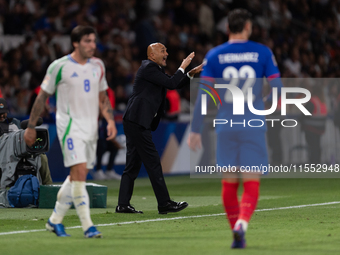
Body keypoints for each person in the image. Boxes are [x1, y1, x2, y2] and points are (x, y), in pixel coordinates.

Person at [188, 9, 283, 249]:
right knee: (252, 179)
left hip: (226, 124)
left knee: (229, 182)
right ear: (248, 27)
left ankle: (235, 232)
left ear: (227, 28)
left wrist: (195, 128)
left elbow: (204, 95)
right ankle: (242, 223)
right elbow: (278, 88)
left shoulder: (214, 55)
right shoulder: (262, 52)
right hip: (252, 123)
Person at [24, 26, 117, 238]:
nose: (92, 45)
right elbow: (41, 97)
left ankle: (54, 220)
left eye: (94, 41)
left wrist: (110, 120)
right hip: (69, 127)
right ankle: (88, 226)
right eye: (87, 41)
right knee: (80, 173)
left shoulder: (98, 66)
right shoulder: (59, 66)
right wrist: (30, 127)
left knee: (78, 175)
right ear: (75, 43)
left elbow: (103, 97)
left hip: (91, 128)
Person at [116, 42, 203, 214]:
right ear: (152, 55)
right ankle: (164, 203)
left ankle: (123, 204)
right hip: (137, 121)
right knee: (153, 162)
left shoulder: (153, 69)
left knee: (132, 165)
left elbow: (173, 83)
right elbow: (171, 84)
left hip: (135, 121)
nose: (167, 53)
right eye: (163, 50)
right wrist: (183, 66)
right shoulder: (148, 67)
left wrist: (190, 73)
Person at [0, 98, 53, 186]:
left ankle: (48, 188)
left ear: (7, 112)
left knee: (42, 157)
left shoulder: (15, 122)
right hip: (4, 153)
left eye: (3, 113)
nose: (1, 116)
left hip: (20, 152)